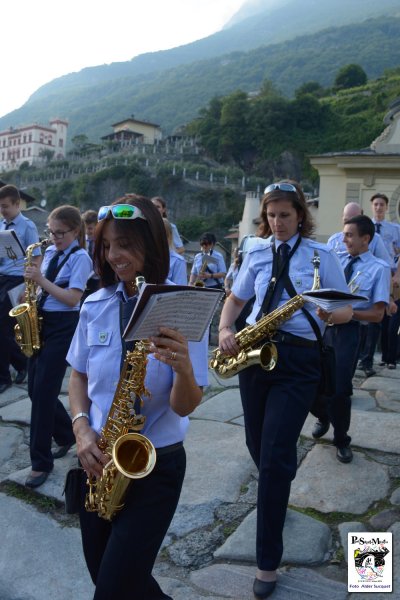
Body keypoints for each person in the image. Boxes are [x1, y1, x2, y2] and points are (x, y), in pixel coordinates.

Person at [66, 195, 208, 600]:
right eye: (107, 246)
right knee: (111, 578)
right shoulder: (95, 304)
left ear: (152, 246)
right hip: (98, 462)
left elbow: (185, 405)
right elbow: (77, 375)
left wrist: (182, 367)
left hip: (155, 467)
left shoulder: (182, 307)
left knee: (112, 590)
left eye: (125, 245)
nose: (114, 256)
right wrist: (81, 429)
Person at [217, 181, 352, 599]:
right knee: (258, 446)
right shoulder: (256, 251)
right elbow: (237, 300)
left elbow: (347, 307)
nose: (277, 223)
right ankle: (278, 494)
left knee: (275, 457)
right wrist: (225, 328)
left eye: (285, 215)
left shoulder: (321, 255)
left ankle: (267, 562)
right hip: (255, 354)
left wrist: (331, 315)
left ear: (300, 216)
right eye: (271, 215)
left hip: (298, 360)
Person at [24, 205, 92, 489]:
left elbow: (72, 298)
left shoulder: (81, 258)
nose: (53, 238)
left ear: (75, 231)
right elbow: (44, 288)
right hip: (42, 321)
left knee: (42, 394)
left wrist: (40, 280)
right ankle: (65, 434)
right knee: (33, 389)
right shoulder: (50, 251)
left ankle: (40, 463)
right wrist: (31, 291)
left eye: (60, 233)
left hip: (64, 325)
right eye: (50, 232)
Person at [312, 215, 390, 463]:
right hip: (321, 327)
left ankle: (341, 438)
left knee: (339, 389)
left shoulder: (379, 268)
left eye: (349, 235)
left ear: (365, 239)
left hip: (349, 332)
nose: (343, 239)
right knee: (310, 380)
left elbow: (378, 315)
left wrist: (346, 313)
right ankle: (323, 415)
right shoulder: (334, 259)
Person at [0, 184, 41, 393]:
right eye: (0, 207)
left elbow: (36, 256)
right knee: (2, 329)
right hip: (2, 276)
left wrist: (30, 285)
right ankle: (22, 365)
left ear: (17, 204)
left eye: (6, 206)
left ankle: (4, 377)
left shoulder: (28, 226)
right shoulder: (1, 224)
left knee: (4, 327)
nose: (3, 210)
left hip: (17, 279)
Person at [358, 193, 400, 376]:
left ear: (386, 206)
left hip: (387, 273)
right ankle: (363, 356)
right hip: (367, 273)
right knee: (364, 314)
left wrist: (396, 274)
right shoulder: (365, 228)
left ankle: (382, 357)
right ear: (372, 206)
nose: (379, 207)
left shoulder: (394, 228)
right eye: (375, 204)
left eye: (382, 204)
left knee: (383, 316)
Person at [82, 209, 100, 299]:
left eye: (90, 228)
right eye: (85, 228)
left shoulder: (101, 242)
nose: (87, 231)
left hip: (97, 278)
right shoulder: (82, 241)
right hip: (84, 278)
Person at [163, 217, 187, 285]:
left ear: (170, 237)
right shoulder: (144, 259)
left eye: (164, 236)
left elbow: (180, 292)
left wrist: (162, 280)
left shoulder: (178, 261)